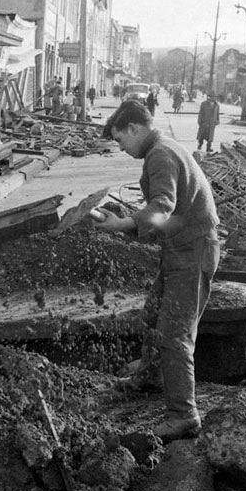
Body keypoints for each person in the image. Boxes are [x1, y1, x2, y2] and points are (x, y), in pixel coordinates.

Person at [97, 100, 220, 441]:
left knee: (174, 332)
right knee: (153, 316)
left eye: (121, 141)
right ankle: (152, 376)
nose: (122, 149)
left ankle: (184, 415)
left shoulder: (160, 155)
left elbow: (162, 205)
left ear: (135, 129)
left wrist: (124, 224)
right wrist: (129, 221)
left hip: (193, 250)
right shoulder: (163, 147)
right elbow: (164, 211)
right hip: (181, 247)